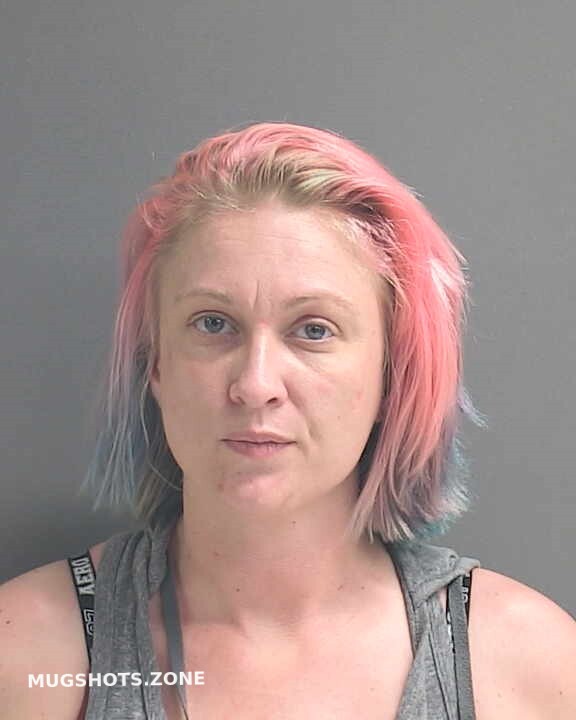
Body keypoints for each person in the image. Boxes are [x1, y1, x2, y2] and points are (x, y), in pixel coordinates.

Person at [1, 121, 575, 720]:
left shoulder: (524, 668)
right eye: (213, 323)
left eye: (314, 330)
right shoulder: (25, 660)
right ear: (157, 364)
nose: (255, 384)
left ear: (392, 374)